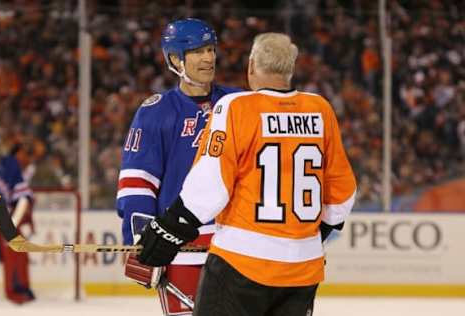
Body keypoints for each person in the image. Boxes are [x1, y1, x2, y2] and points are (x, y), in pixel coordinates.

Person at [135, 32, 357, 315]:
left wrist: (169, 229)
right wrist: (313, 237)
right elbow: (342, 193)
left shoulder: (236, 106)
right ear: (289, 69)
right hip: (304, 268)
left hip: (243, 263)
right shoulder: (320, 109)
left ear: (251, 66)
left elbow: (211, 184)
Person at [116, 18, 240, 315]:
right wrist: (142, 243)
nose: (209, 58)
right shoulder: (155, 112)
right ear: (175, 59)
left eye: (211, 49)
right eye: (198, 51)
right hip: (181, 250)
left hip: (236, 248)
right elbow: (137, 184)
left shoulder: (238, 103)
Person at [0, 133, 34, 304]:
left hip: (3, 214)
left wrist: (15, 221)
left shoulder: (10, 164)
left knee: (16, 252)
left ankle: (17, 289)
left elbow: (22, 196)